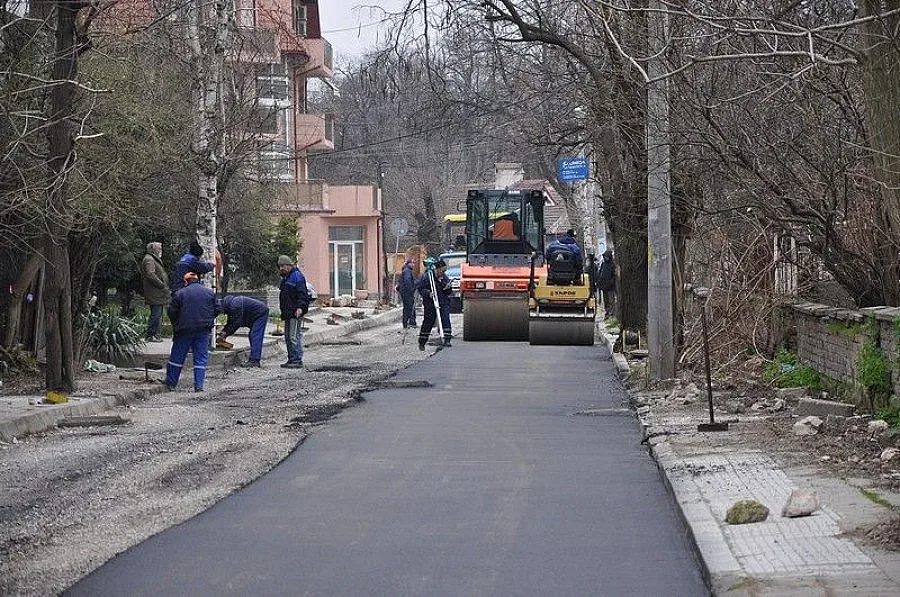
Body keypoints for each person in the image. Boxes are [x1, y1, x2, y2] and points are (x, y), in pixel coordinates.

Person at [164, 272, 220, 392]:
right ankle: (199, 386)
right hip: (203, 330)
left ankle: (171, 383)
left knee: (177, 357)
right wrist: (208, 320)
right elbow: (217, 309)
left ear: (185, 282)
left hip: (184, 330)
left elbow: (171, 312)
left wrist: (176, 323)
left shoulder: (180, 294)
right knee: (200, 358)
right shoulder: (209, 293)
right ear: (198, 280)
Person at [217, 295, 270, 367]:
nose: (222, 313)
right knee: (252, 335)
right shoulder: (231, 304)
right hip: (256, 314)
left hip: (260, 313)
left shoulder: (235, 306)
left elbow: (236, 323)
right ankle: (254, 358)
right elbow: (231, 321)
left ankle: (254, 361)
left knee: (255, 335)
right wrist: (224, 331)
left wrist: (225, 334)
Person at [277, 254, 311, 368]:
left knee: (293, 336)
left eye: (283, 266)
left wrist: (300, 308)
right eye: (280, 266)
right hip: (288, 312)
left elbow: (302, 295)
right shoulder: (286, 278)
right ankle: (291, 359)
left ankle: (296, 360)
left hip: (295, 312)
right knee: (288, 337)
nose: (281, 268)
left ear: (289, 265)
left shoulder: (297, 277)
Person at [417, 259, 452, 350]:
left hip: (443, 302)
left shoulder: (444, 277)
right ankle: (422, 341)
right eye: (442, 270)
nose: (443, 273)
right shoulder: (428, 277)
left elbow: (448, 291)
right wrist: (428, 293)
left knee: (445, 319)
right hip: (430, 303)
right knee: (428, 321)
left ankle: (446, 339)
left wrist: (447, 287)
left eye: (445, 271)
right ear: (437, 269)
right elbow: (421, 289)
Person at [140, 241, 168, 342]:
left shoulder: (152, 259)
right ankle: (151, 335)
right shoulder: (149, 259)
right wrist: (161, 284)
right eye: (159, 248)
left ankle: (155, 334)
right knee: (156, 314)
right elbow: (150, 274)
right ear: (153, 249)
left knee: (157, 313)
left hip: (157, 292)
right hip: (155, 292)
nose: (161, 250)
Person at [596, 249, 617, 320]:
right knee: (606, 301)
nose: (606, 258)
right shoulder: (603, 264)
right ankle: (607, 312)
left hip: (610, 287)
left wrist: (611, 282)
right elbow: (600, 273)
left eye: (607, 256)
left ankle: (611, 314)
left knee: (611, 300)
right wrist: (599, 281)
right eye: (605, 257)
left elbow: (614, 275)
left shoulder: (612, 264)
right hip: (604, 286)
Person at [397, 258, 417, 329]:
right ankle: (411, 322)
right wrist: (411, 289)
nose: (413, 265)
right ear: (409, 264)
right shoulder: (407, 271)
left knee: (406, 308)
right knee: (410, 307)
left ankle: (406, 323)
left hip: (405, 292)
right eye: (412, 263)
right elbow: (407, 281)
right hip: (407, 293)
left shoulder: (405, 270)